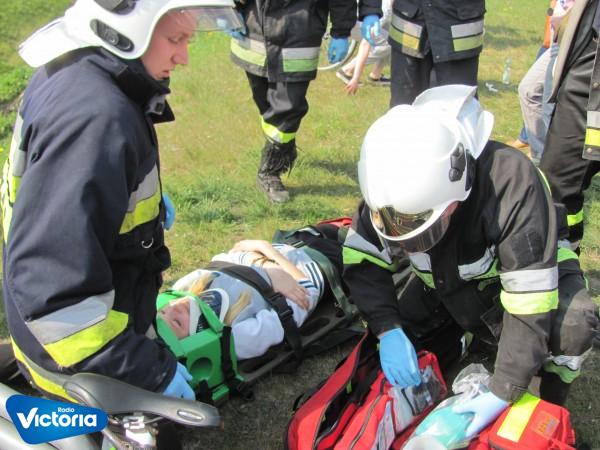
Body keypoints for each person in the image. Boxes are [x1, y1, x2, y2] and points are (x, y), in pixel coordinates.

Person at [0, 0, 242, 402]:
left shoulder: (77, 71)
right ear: (122, 32)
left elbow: (56, 200)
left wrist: (123, 192)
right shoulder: (97, 119)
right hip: (77, 358)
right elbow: (53, 292)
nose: (183, 57)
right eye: (175, 39)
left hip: (73, 326)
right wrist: (145, 373)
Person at [343, 85, 598, 439]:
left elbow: (530, 299)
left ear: (455, 196)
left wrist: (503, 389)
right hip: (445, 283)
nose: (411, 244)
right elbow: (363, 259)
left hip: (529, 277)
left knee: (573, 325)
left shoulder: (511, 184)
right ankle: (468, 337)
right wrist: (388, 328)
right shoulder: (391, 184)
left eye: (421, 230)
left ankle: (548, 396)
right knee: (411, 339)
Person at [229, 0, 357, 203]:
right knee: (264, 101)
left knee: (289, 107)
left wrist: (341, 31)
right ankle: (284, 148)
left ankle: (269, 171)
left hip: (301, 29)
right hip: (253, 27)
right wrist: (227, 10)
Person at [165, 227, 345, 359]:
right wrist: (269, 253)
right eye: (177, 322)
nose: (175, 309)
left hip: (291, 243)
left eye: (164, 311)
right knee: (358, 235)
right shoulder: (237, 339)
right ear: (194, 342)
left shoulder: (183, 289)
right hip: (324, 261)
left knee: (336, 228)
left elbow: (225, 257)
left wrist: (267, 265)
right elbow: (307, 296)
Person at [540, 0, 600, 254]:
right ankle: (562, 264)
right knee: (555, 186)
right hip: (588, 56)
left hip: (590, 78)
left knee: (557, 186)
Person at [360, 0, 485, 107]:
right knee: (404, 110)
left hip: (458, 24)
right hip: (410, 23)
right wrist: (370, 9)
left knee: (458, 108)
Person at [515, 0, 575, 164]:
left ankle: (552, 163)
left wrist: (565, 19)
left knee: (552, 106)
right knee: (529, 90)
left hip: (572, 40)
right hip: (557, 40)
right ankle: (540, 157)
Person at [336, 0, 393, 95]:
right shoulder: (383, 8)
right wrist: (356, 78)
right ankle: (347, 70)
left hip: (354, 17)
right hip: (351, 24)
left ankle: (375, 75)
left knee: (391, 32)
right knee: (390, 42)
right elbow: (365, 44)